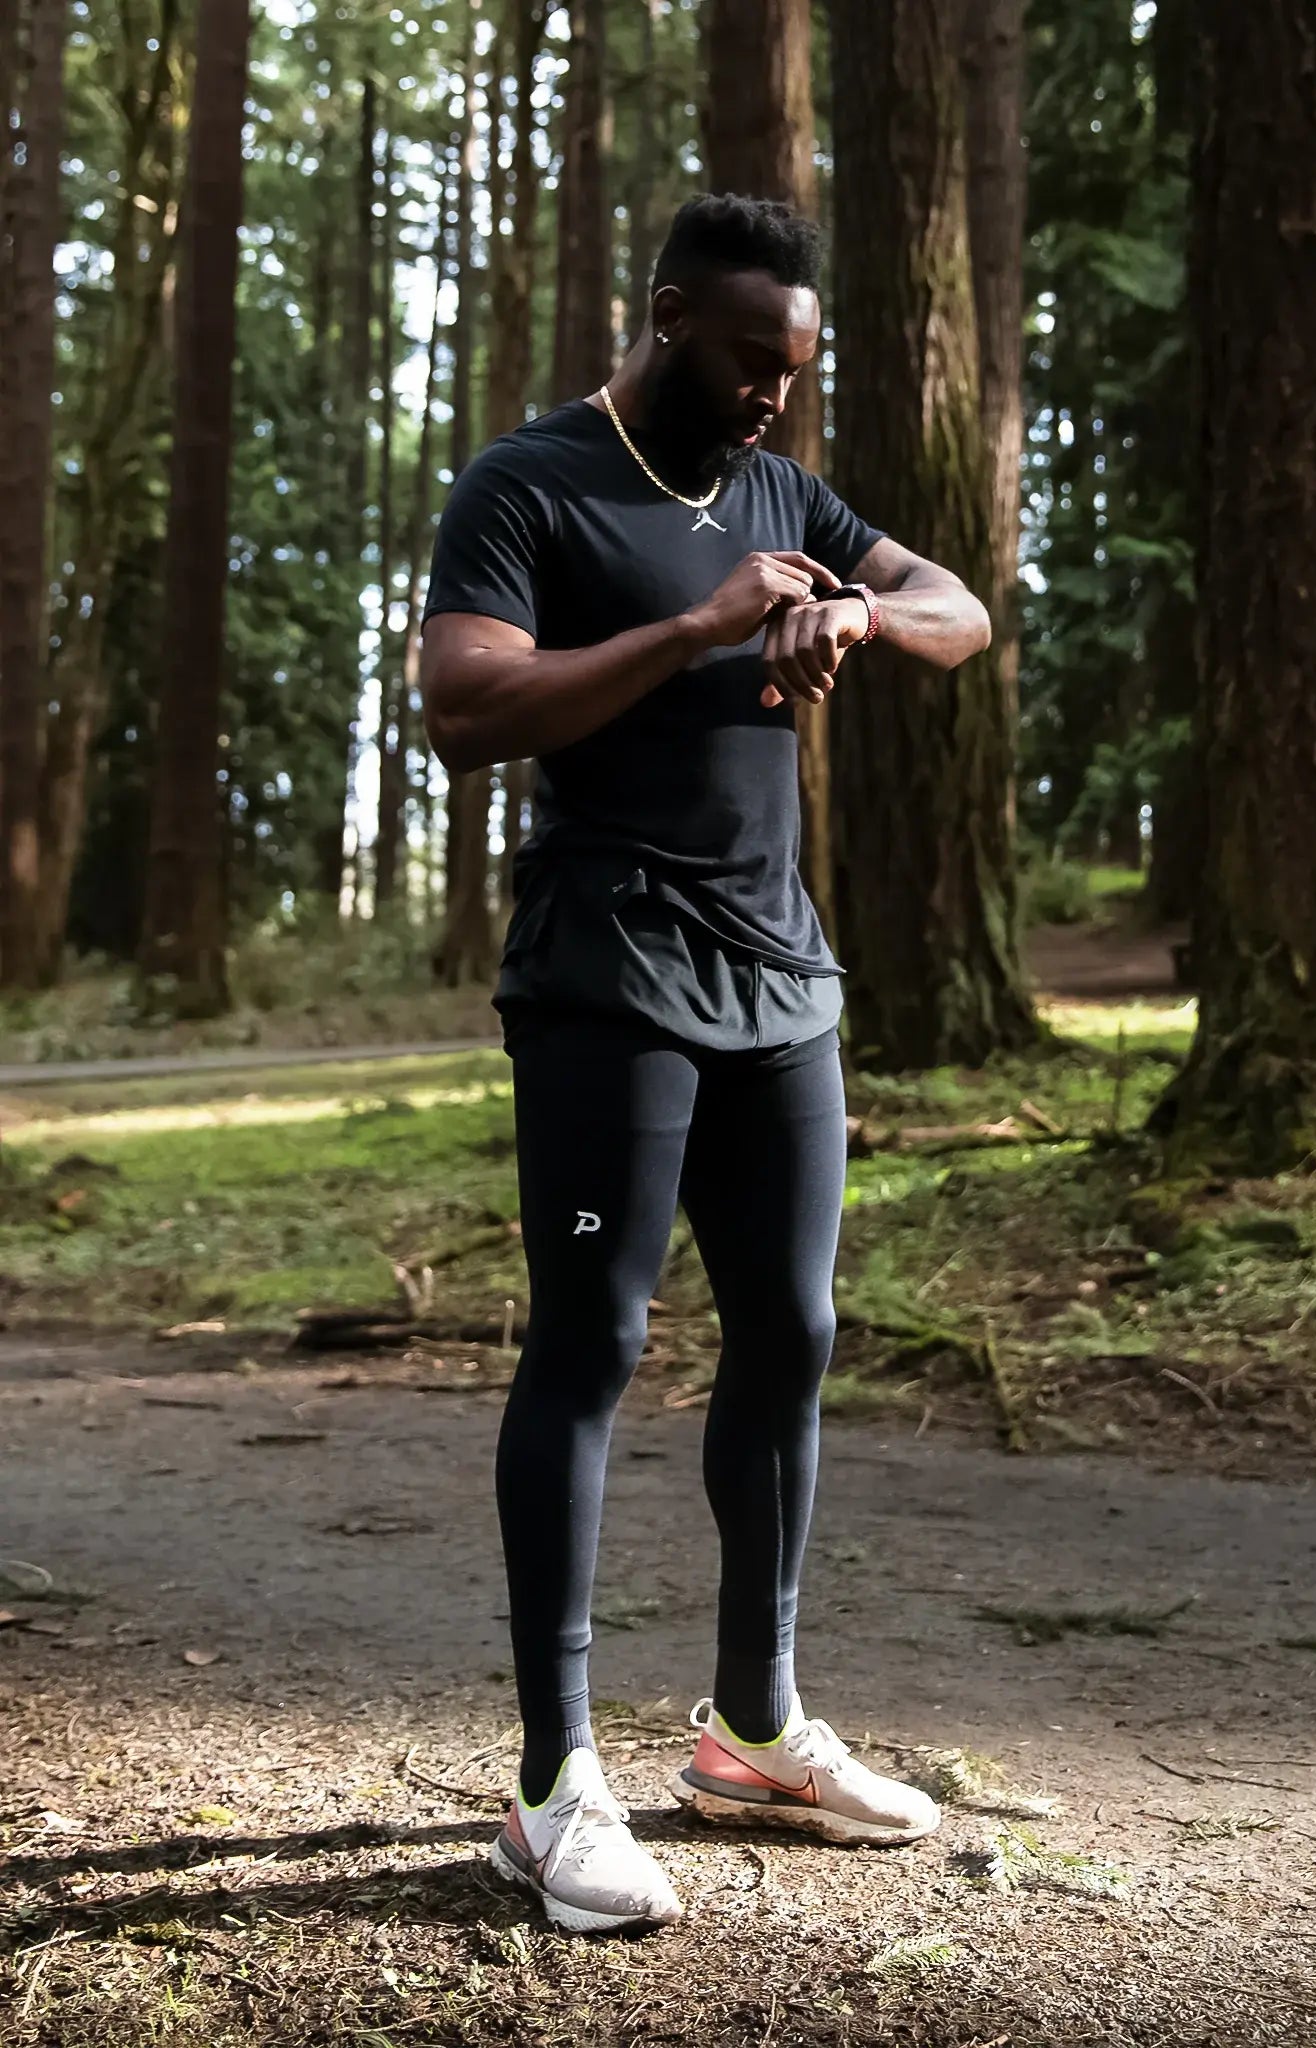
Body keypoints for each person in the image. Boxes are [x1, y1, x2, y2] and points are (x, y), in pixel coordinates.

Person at [420, 193, 991, 1936]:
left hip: (777, 972)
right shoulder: (530, 486)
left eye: (795, 374)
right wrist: (697, 628)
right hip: (610, 971)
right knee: (590, 1346)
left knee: (796, 1332)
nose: (772, 401)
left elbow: (959, 604)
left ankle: (751, 1727)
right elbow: (463, 704)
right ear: (666, 317)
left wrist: (859, 621)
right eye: (750, 363)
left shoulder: (783, 491)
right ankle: (548, 1788)